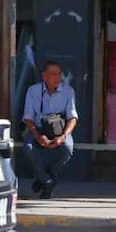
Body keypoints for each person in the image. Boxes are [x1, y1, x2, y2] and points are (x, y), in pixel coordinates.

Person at [21, 60, 78, 199]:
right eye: (53, 74)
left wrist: (63, 136)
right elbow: (27, 117)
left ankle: (45, 176)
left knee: (67, 148)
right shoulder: (33, 91)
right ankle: (47, 181)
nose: (57, 77)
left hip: (59, 129)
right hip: (39, 128)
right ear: (44, 76)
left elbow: (73, 117)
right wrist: (37, 136)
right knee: (28, 147)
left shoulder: (68, 91)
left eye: (59, 74)